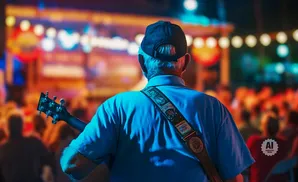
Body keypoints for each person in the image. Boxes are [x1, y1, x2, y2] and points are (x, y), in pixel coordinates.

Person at [60, 21, 255, 182]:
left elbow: (72, 165)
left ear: (142, 62)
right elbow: (234, 179)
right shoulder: (213, 108)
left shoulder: (116, 107)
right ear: (185, 62)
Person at [0, 113, 52, 182]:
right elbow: (48, 159)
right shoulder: (33, 142)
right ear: (22, 126)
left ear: (7, 128)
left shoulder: (3, 148)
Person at [247, 112, 289, 182]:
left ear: (263, 126)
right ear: (278, 127)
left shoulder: (254, 141)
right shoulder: (284, 143)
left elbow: (244, 161)